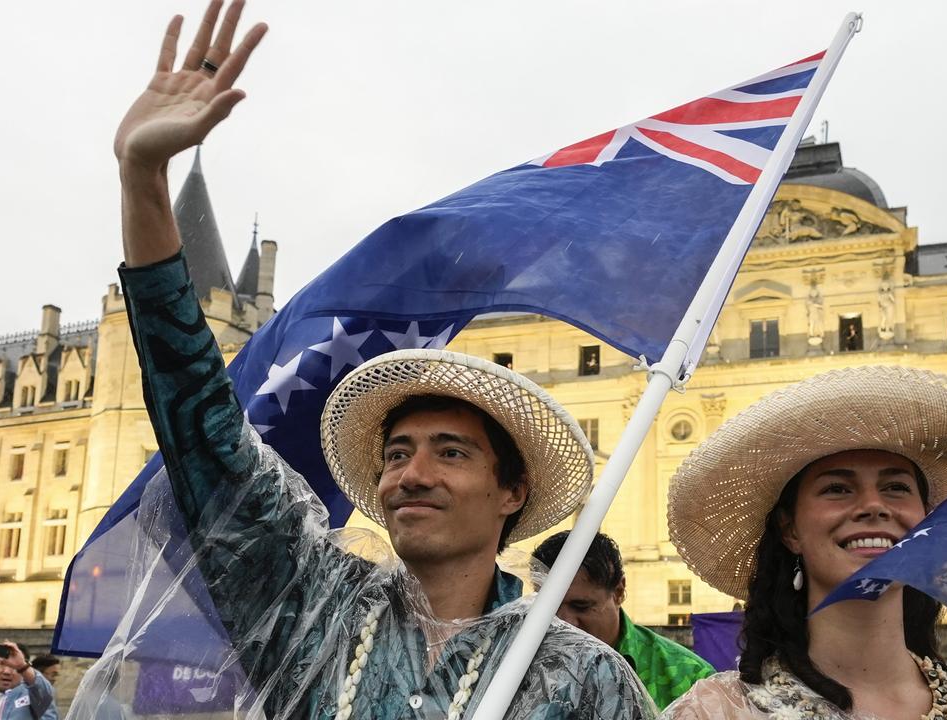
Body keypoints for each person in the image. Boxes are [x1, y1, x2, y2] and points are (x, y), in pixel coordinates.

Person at [70, 3, 654, 717]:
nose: (412, 473)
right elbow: (203, 430)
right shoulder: (308, 603)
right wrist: (142, 177)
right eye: (398, 452)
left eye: (451, 452)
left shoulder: (583, 677)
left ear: (512, 491)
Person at [661, 366, 947, 719]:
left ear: (928, 523)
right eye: (837, 489)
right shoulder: (716, 711)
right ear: (790, 530)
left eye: (896, 488)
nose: (874, 505)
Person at [532, 531, 715, 708]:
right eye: (549, 608)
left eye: (581, 606)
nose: (565, 622)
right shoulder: (520, 669)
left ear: (618, 592)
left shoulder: (691, 678)